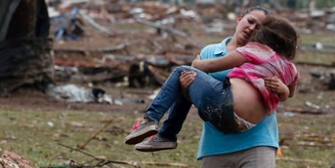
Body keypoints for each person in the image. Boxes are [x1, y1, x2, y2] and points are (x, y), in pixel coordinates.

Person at [124, 14, 299, 152]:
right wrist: (283, 89)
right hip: (244, 125)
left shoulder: (255, 49)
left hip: (226, 106)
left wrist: (196, 63)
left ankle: (151, 120)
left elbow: (213, 66)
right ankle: (166, 135)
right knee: (189, 81)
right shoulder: (291, 69)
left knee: (182, 73)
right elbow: (290, 94)